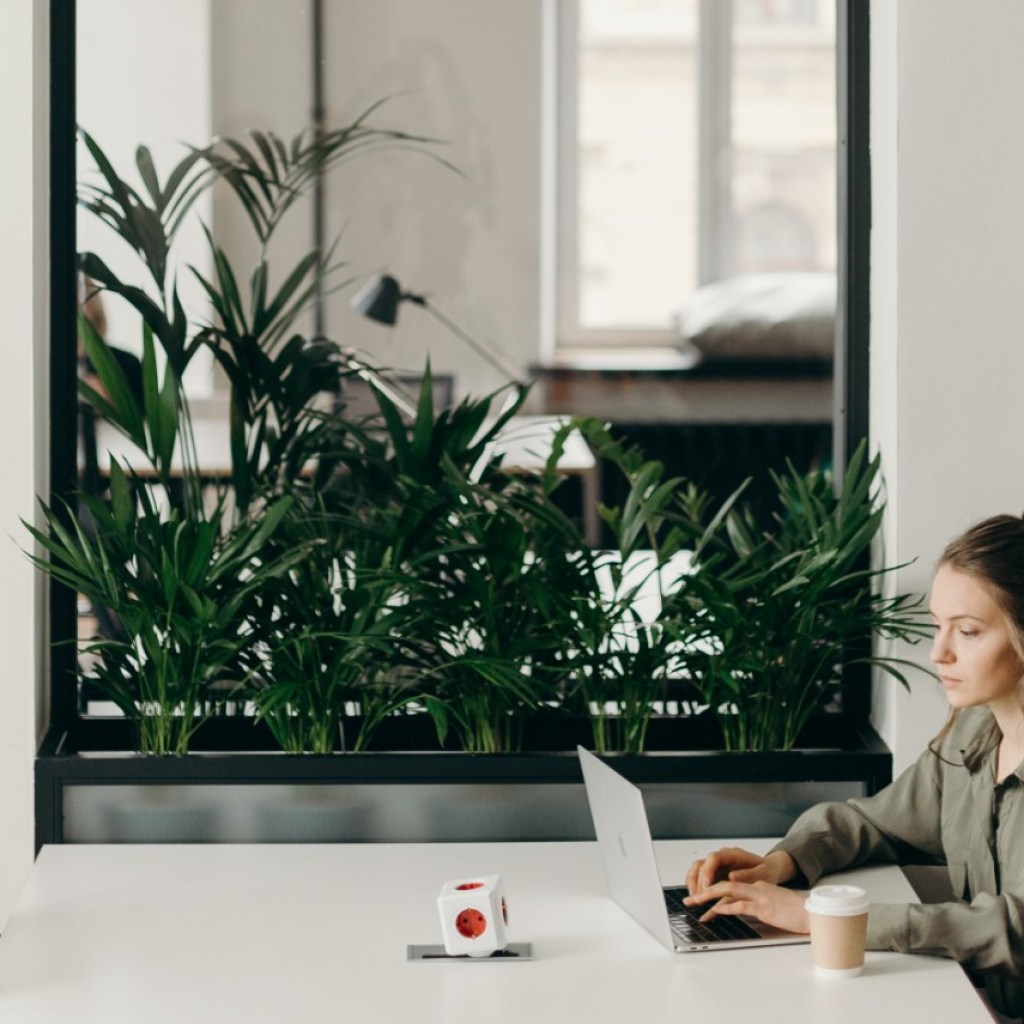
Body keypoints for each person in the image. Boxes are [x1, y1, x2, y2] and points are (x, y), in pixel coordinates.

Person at [683, 513, 1024, 1022]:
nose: (938, 653)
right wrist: (781, 865)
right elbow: (873, 820)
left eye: (968, 632)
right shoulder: (969, 736)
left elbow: (1013, 931)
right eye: (937, 627)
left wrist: (822, 917)